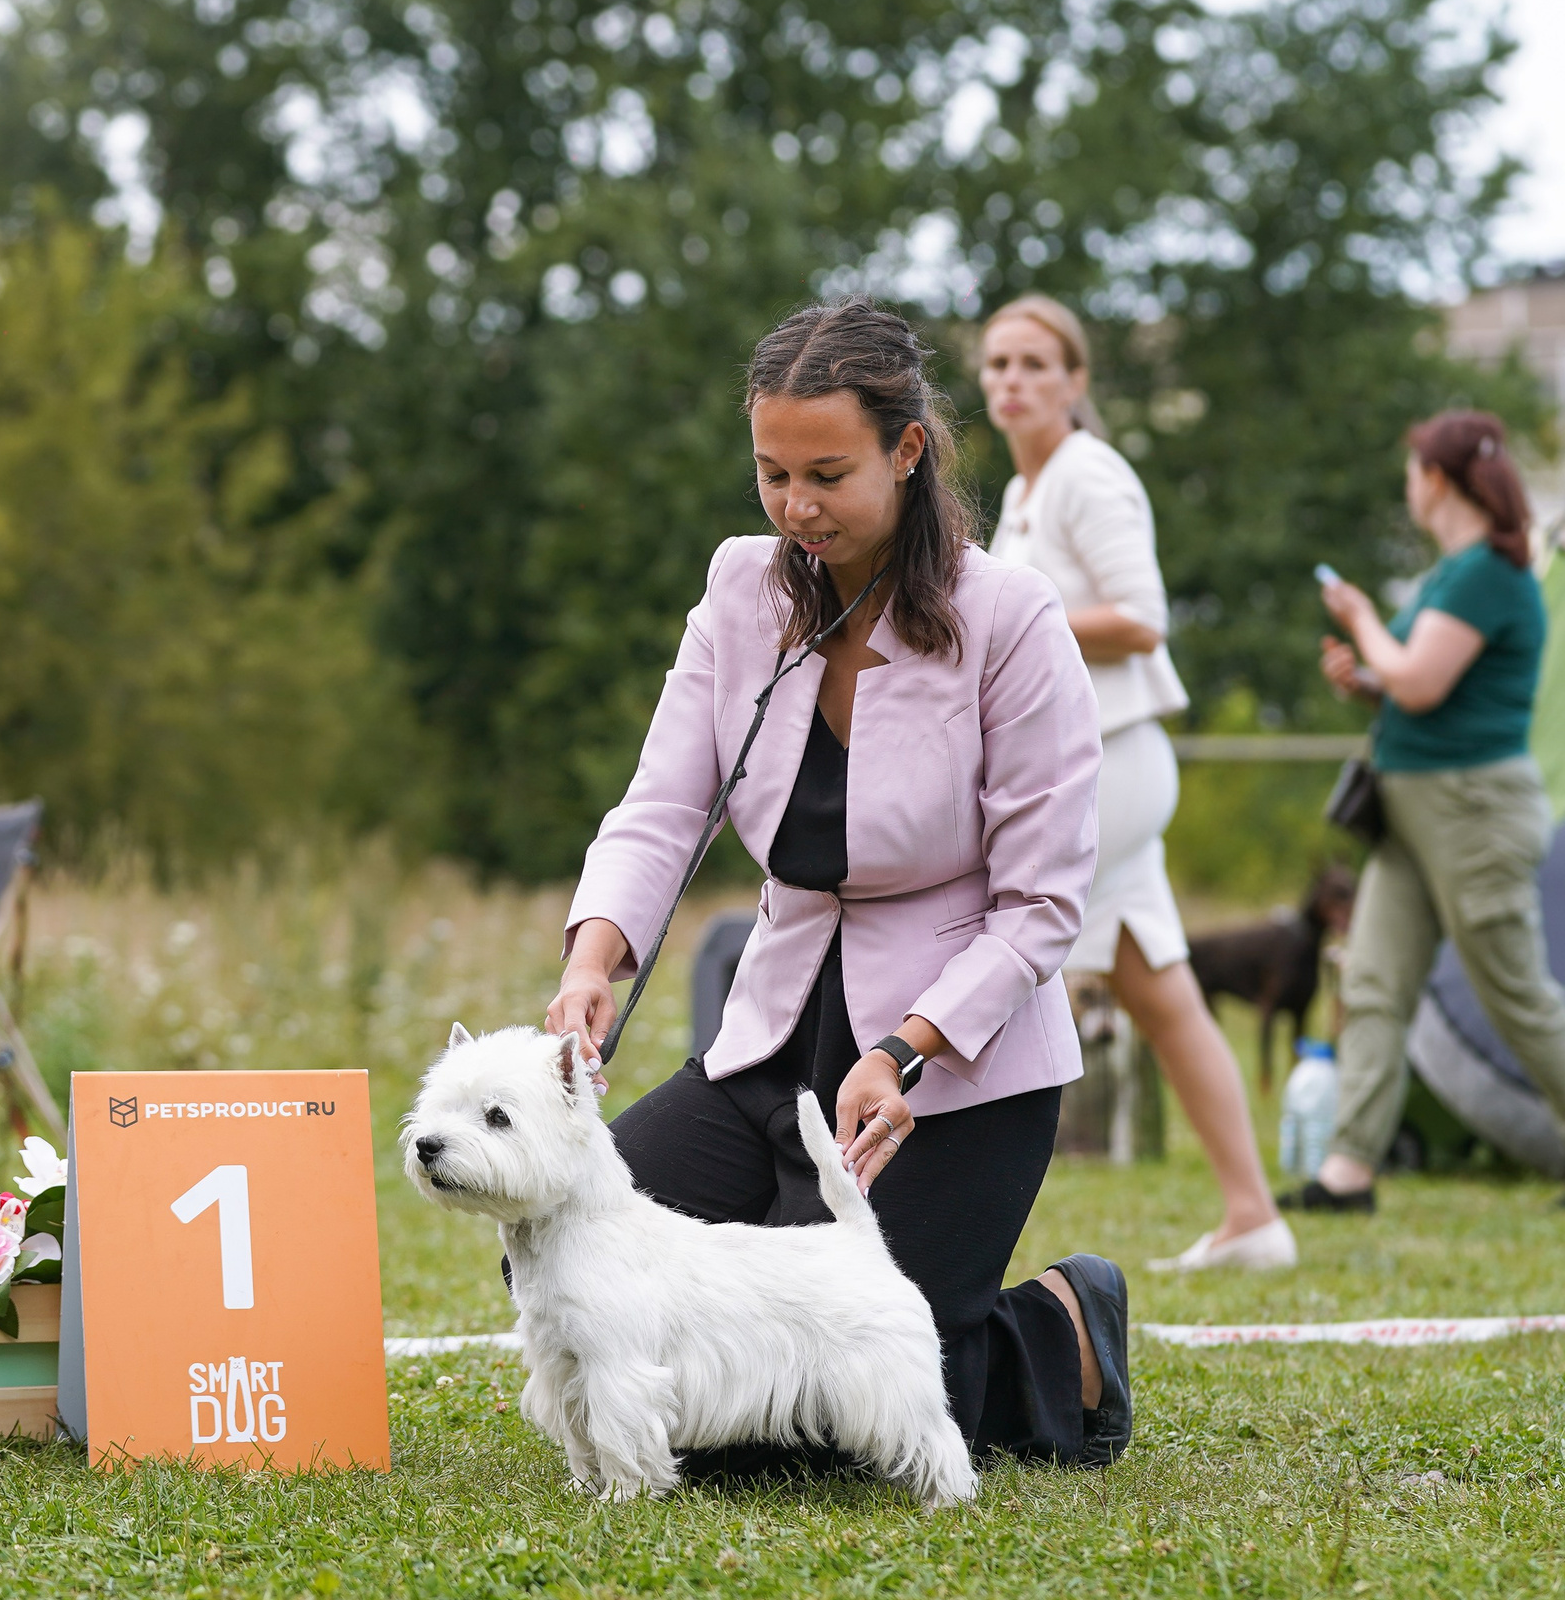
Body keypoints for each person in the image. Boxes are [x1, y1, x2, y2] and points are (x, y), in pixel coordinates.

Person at [549, 300, 1132, 1473]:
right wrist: (591, 959)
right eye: (770, 473)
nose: (794, 508)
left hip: (950, 1066)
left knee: (834, 1415)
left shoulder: (1010, 620)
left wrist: (910, 1048)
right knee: (573, 1244)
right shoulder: (736, 589)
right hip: (770, 1036)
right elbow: (662, 804)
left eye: (826, 474)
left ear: (906, 453)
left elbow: (1040, 911)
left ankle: (1059, 1327)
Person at [979, 295, 1293, 1273]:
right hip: (1098, 766)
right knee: (1162, 995)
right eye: (995, 365)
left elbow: (1142, 618)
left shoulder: (1088, 476)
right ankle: (1254, 1219)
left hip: (1107, 762)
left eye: (1034, 363)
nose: (1012, 382)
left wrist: (1012, 627)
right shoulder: (1024, 493)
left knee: (1000, 961)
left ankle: (950, 1222)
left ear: (1076, 381)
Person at [1300, 411, 1565, 1211]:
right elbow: (1410, 681)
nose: (1409, 486)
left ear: (1437, 479)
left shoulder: (1489, 570)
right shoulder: (1453, 573)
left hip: (1472, 809)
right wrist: (1364, 678)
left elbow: (1419, 681)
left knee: (1515, 994)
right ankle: (1348, 1170)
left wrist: (1361, 622)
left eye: (1413, 471)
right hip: (1411, 809)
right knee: (1376, 979)